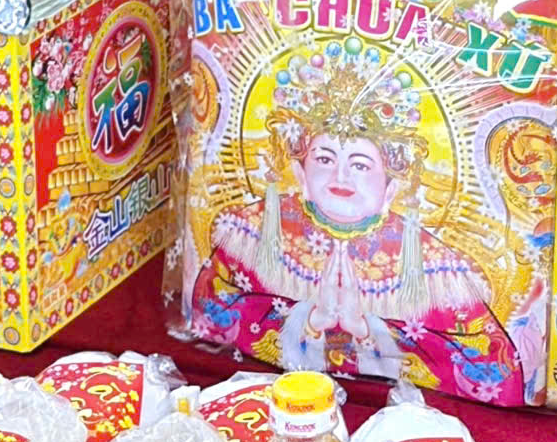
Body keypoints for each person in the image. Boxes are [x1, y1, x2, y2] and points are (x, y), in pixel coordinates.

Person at [189, 45, 524, 404]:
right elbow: (210, 312)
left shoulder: (435, 267)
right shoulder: (252, 232)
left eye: (361, 164)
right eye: (324, 158)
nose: (341, 176)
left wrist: (368, 330)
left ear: (391, 188)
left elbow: (494, 369)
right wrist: (309, 320)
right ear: (300, 175)